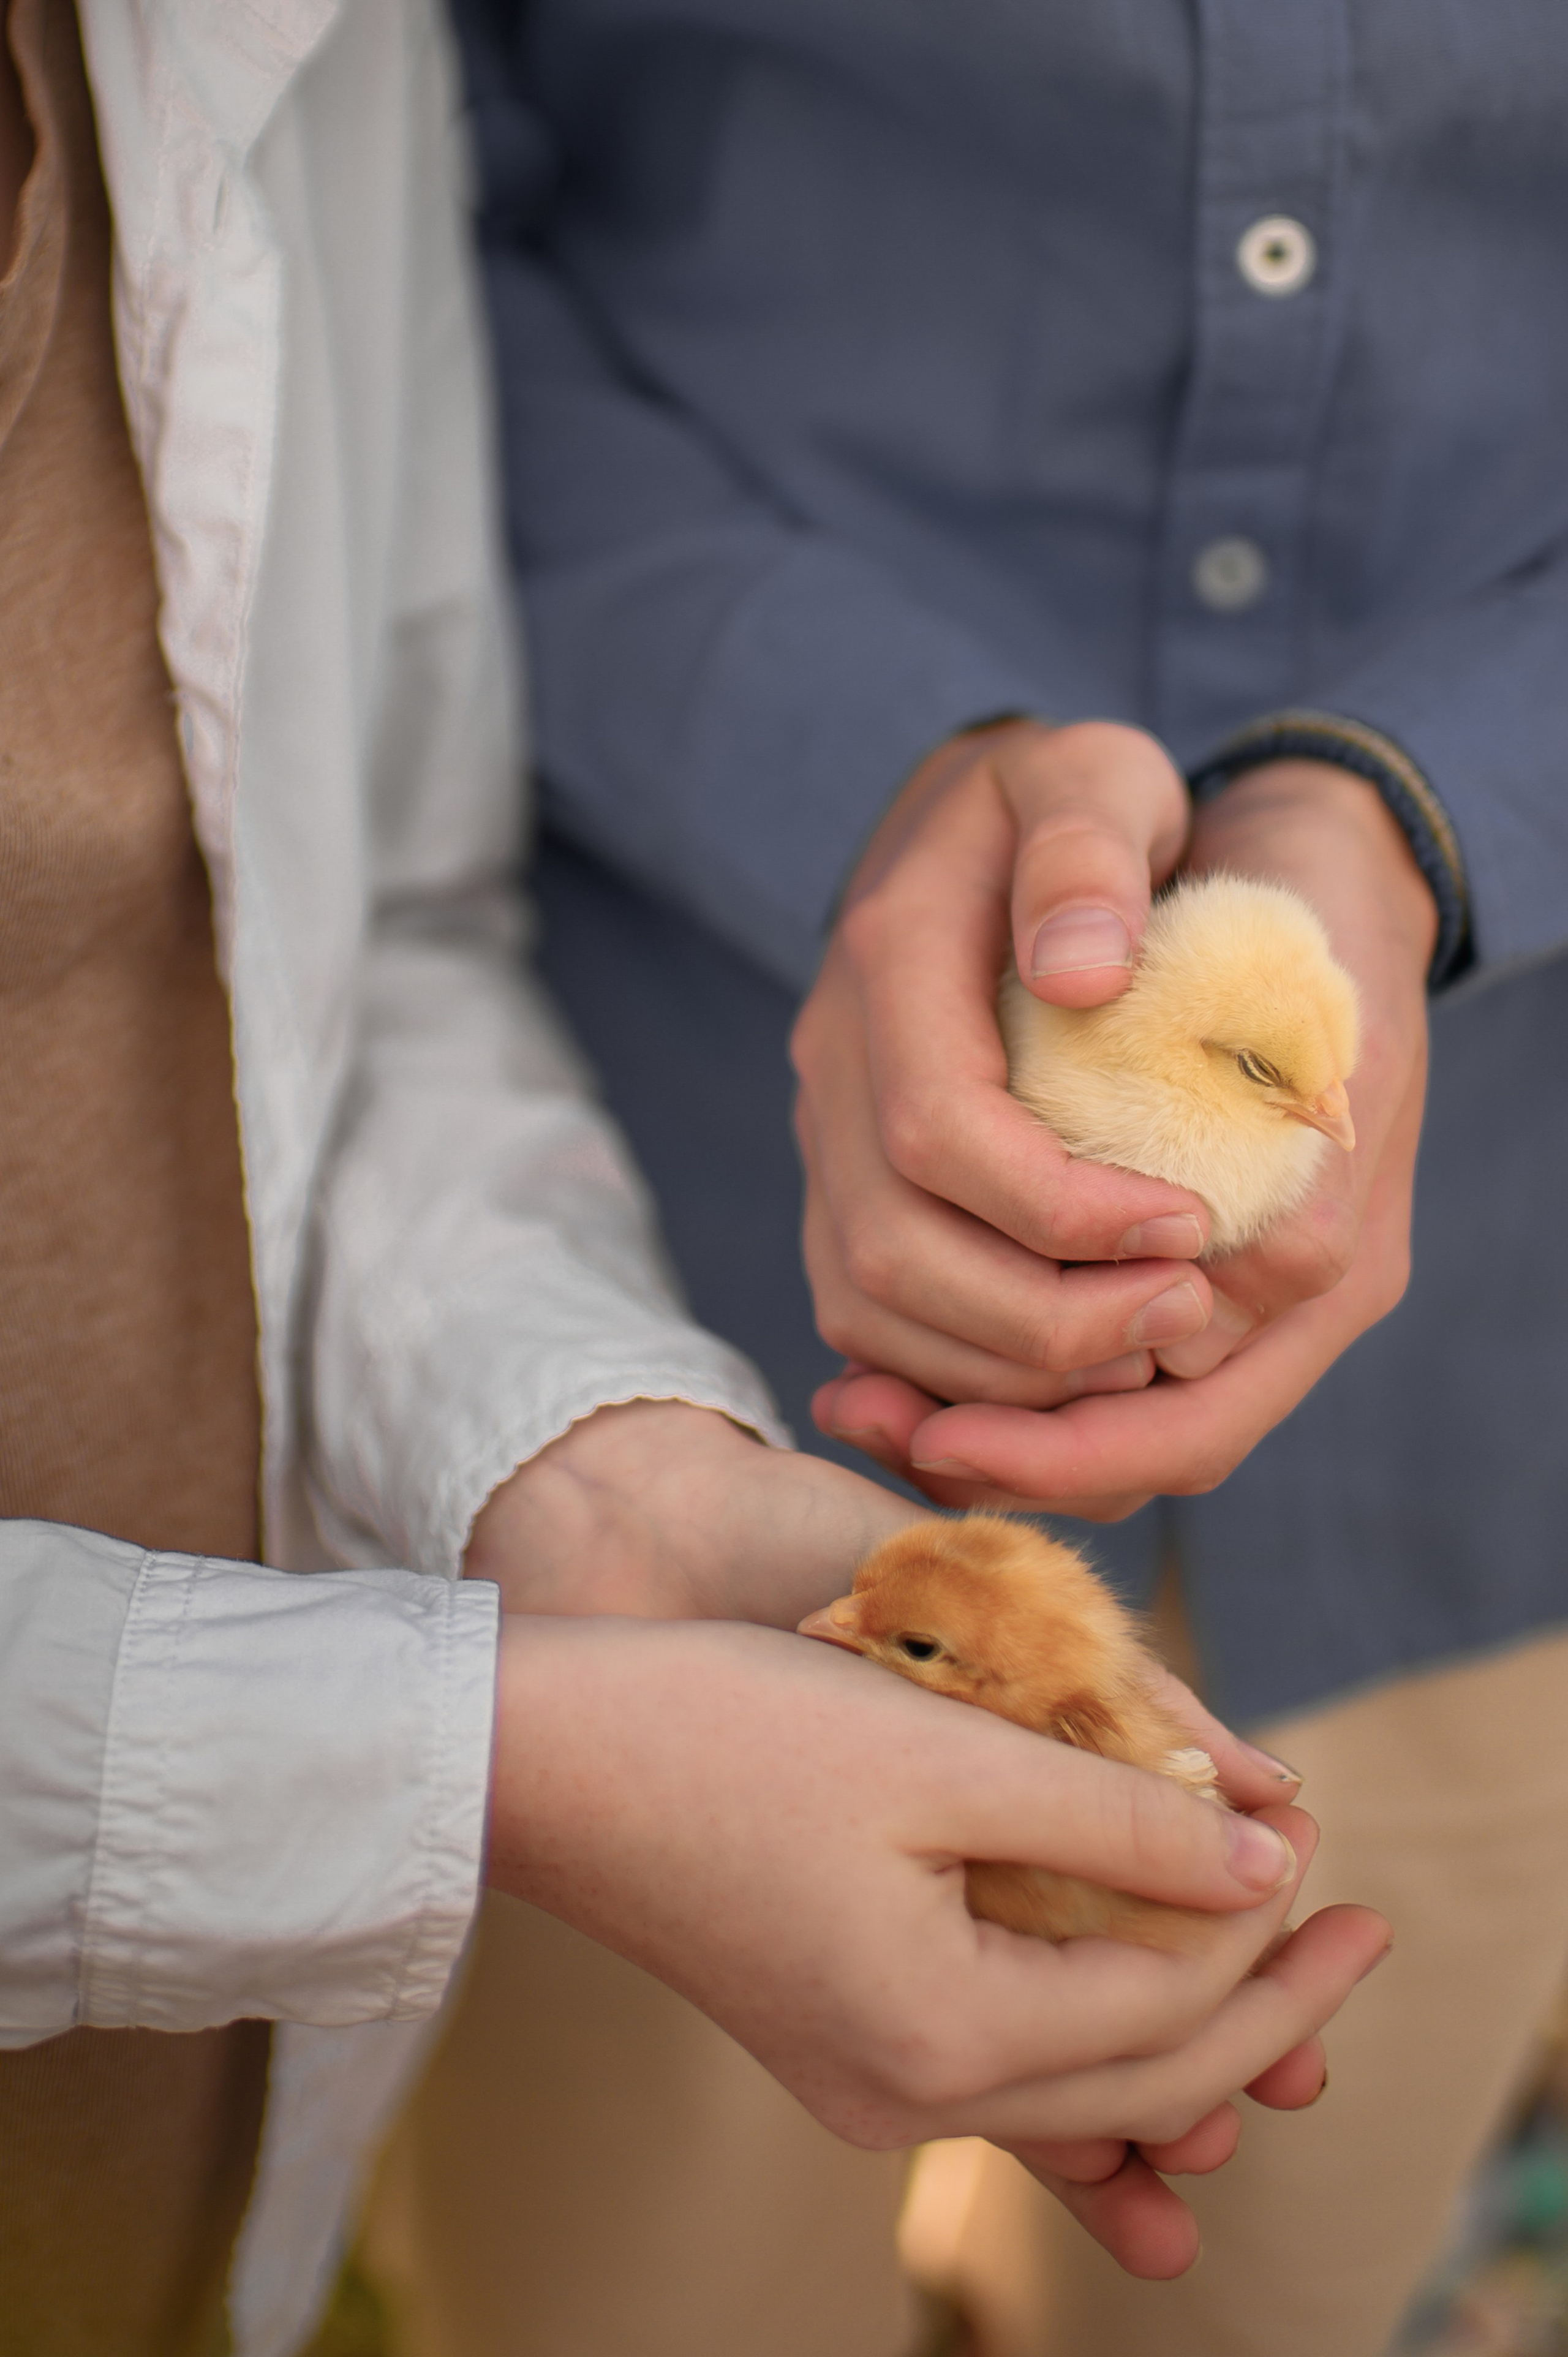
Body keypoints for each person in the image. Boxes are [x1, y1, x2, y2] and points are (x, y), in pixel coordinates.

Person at [0, 7, 1383, 2356]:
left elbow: (365, 919)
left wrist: (592, 1479)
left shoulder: (261, 40)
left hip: (150, 2142)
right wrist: (477, 1756)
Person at [452, 3, 1568, 2351]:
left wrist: (1428, 804)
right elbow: (387, 252)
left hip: (1496, 1362)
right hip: (645, 1276)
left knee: (1282, 2264)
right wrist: (843, 753)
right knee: (638, 2281)